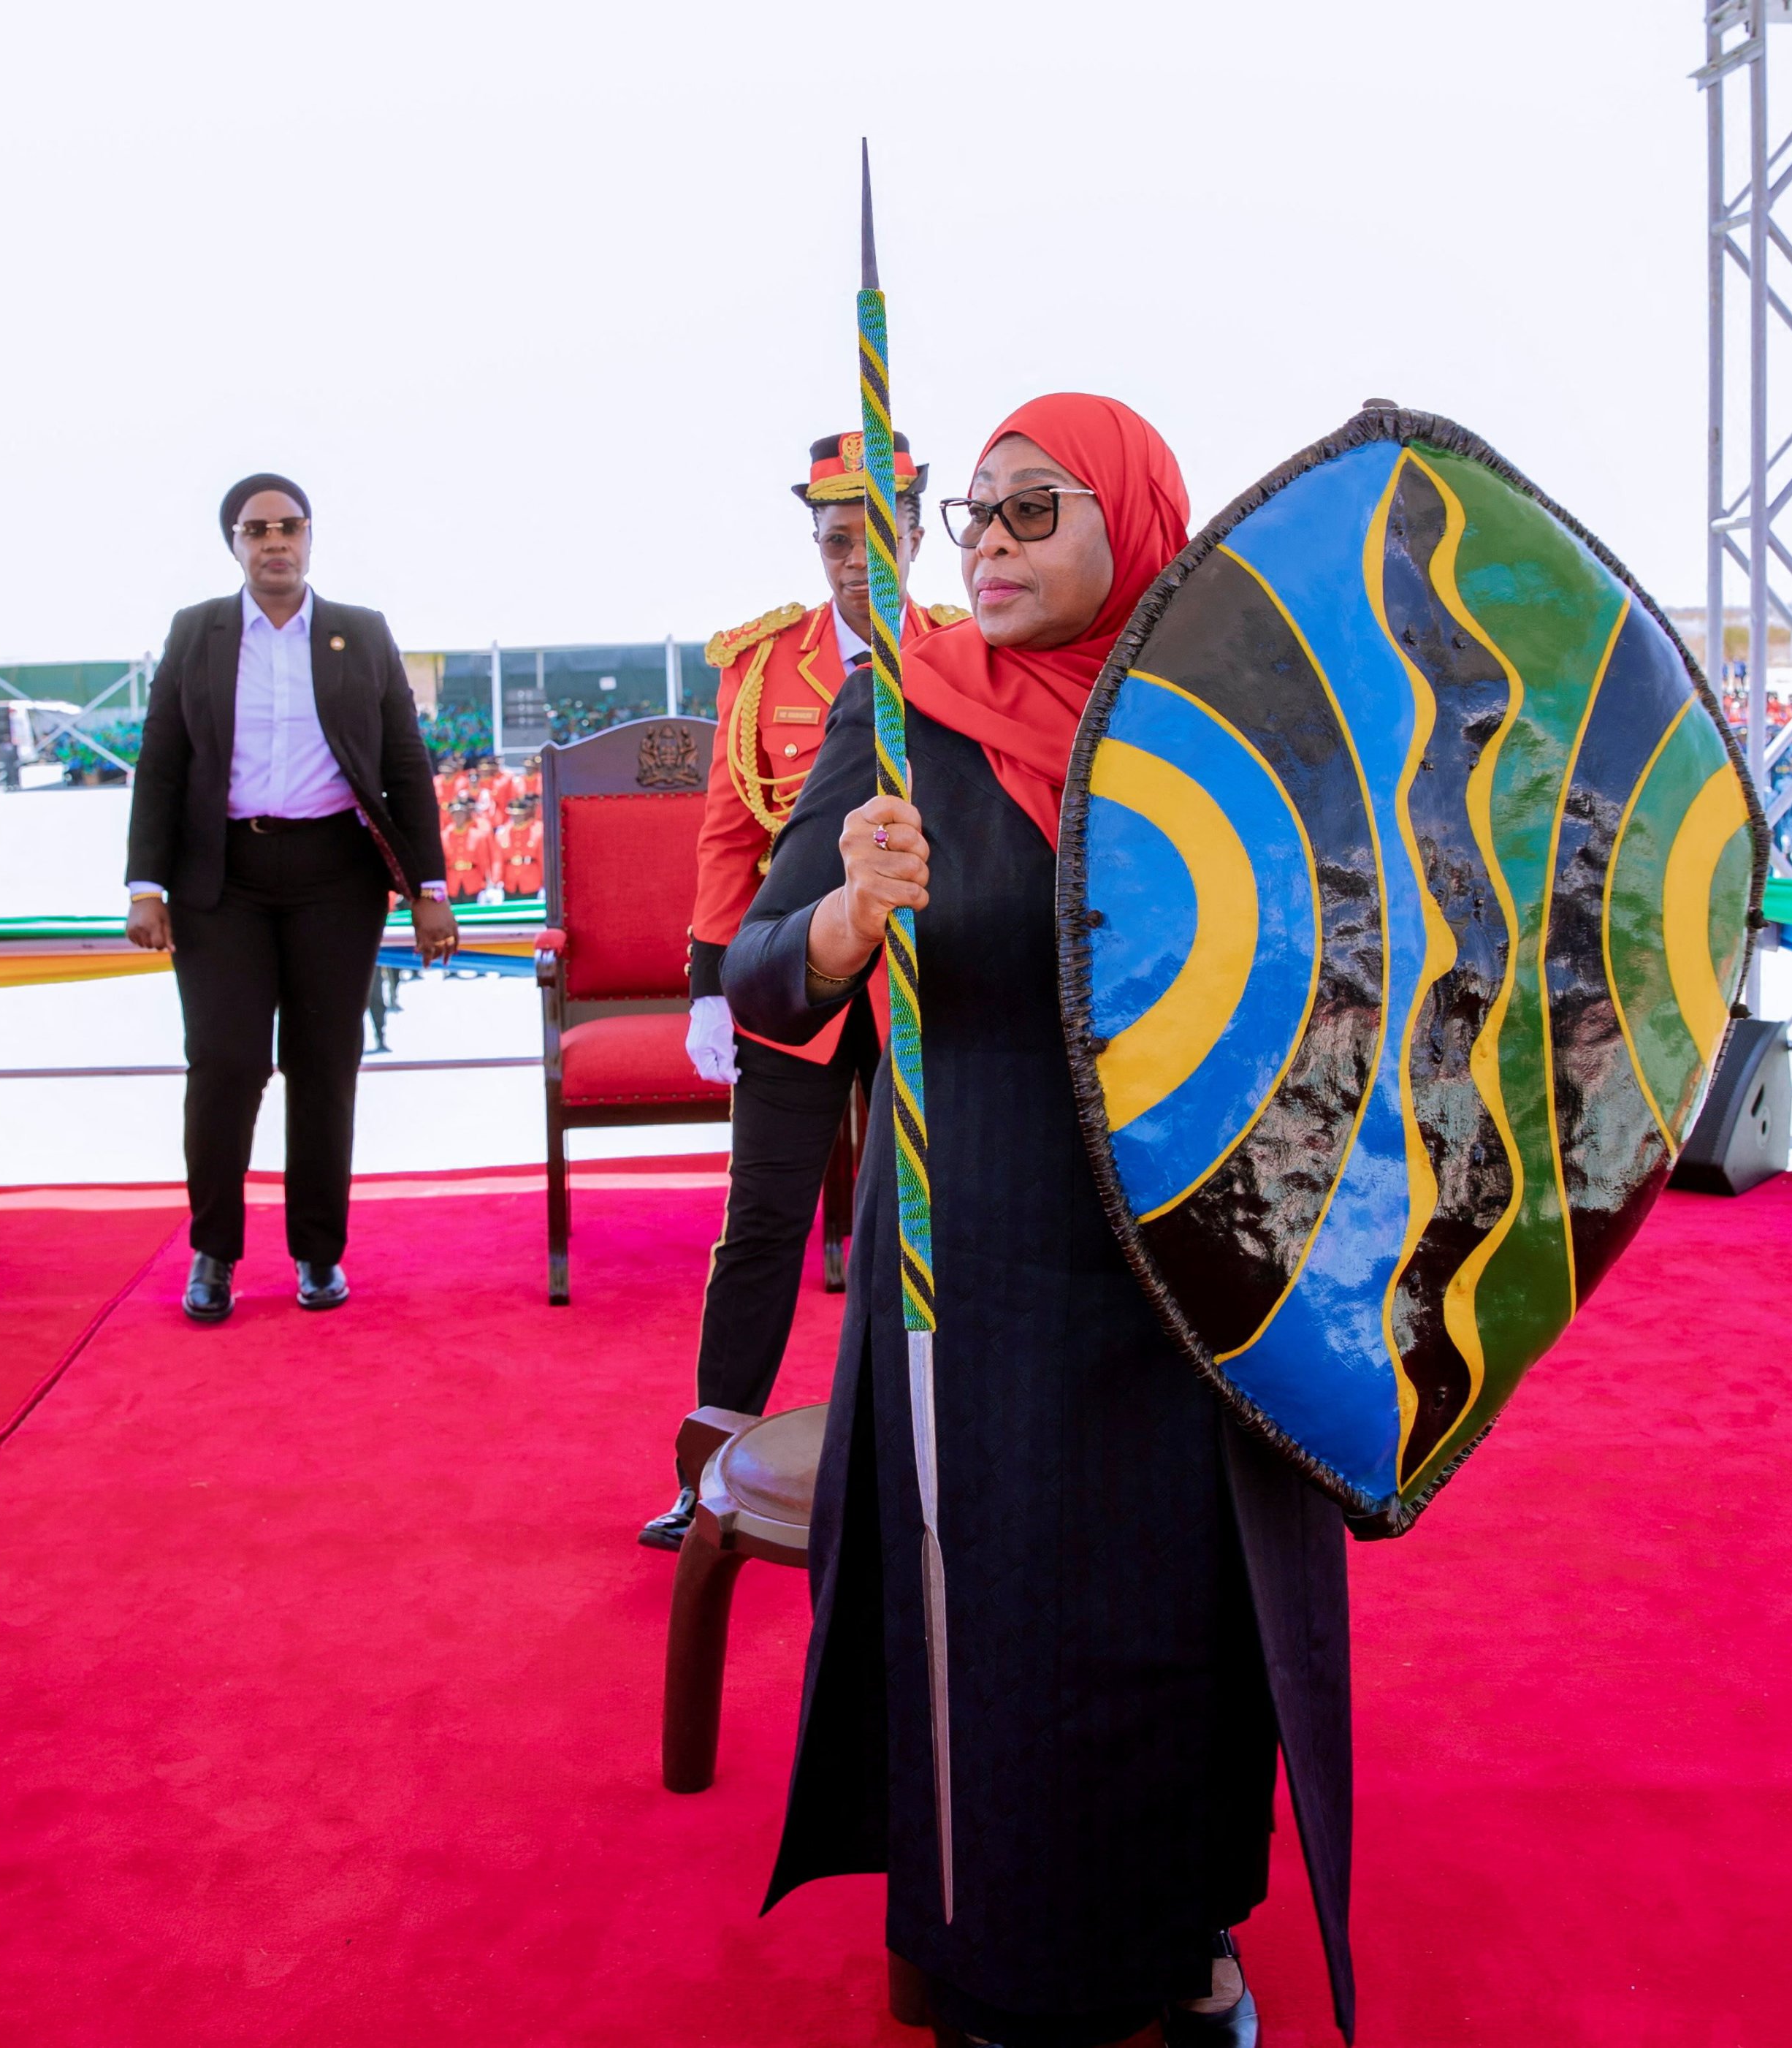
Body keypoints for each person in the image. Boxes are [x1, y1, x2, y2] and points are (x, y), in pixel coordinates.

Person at [728, 395, 1352, 2048]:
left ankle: (1185, 1929)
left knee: (1176, 1627)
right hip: (978, 1260)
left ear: (1133, 524)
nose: (988, 547)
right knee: (989, 1628)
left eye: (1032, 513)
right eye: (975, 518)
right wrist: (853, 914)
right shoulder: (899, 720)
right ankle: (988, 1952)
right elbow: (757, 968)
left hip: (1188, 1272)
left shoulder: (1219, 727)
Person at [641, 433, 966, 1549]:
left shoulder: (970, 653)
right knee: (764, 1223)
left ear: (918, 534)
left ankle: (928, 1464)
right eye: (836, 541)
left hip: (927, 986)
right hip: (800, 979)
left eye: (878, 536)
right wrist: (704, 987)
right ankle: (707, 1466)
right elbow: (730, 839)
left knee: (929, 1223)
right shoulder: (765, 668)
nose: (855, 563)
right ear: (815, 543)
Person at [124, 473, 456, 1321]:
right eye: (255, 530)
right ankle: (214, 1251)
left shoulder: (360, 633)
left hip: (334, 881)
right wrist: (145, 883)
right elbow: (161, 760)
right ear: (232, 544)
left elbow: (405, 764)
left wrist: (428, 887)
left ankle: (317, 1252)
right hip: (220, 879)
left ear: (310, 536)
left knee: (323, 1067)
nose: (275, 542)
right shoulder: (197, 633)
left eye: (289, 526)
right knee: (226, 1065)